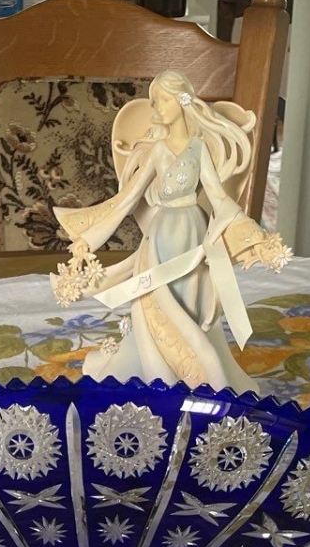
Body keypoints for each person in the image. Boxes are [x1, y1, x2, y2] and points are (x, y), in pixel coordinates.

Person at [51, 69, 289, 392]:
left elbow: (219, 198)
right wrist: (88, 237)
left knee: (190, 306)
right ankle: (163, 375)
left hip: (193, 234)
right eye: (154, 101)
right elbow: (127, 199)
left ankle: (201, 375)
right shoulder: (157, 151)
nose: (157, 108)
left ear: (180, 100)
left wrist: (255, 239)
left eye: (162, 100)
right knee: (158, 305)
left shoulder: (199, 149)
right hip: (162, 237)